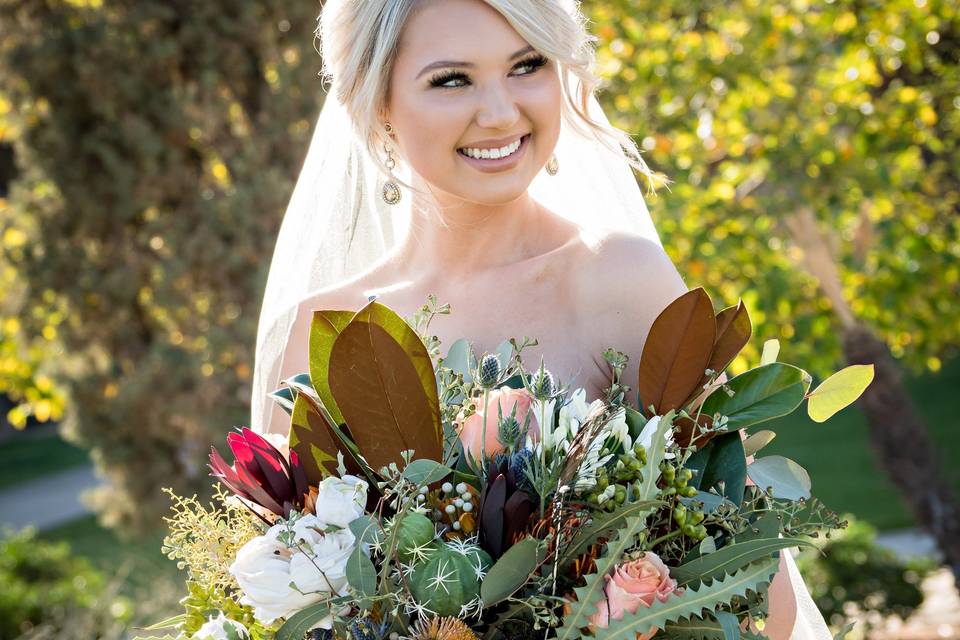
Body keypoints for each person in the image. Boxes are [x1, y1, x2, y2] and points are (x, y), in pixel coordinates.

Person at [251, 1, 830, 638]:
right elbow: (288, 597)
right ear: (377, 102)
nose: (500, 113)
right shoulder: (327, 327)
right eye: (452, 79)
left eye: (527, 65)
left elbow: (757, 595)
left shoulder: (620, 281)